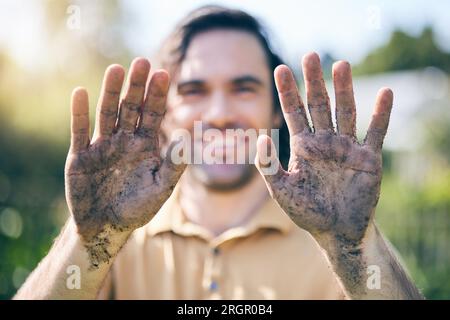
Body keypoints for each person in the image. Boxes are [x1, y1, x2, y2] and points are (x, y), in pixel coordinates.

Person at [15, 5, 423, 300]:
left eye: (243, 88)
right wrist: (90, 242)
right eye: (194, 91)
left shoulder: (338, 245)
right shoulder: (117, 243)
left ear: (275, 111)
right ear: (164, 113)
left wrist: (351, 249)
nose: (220, 114)